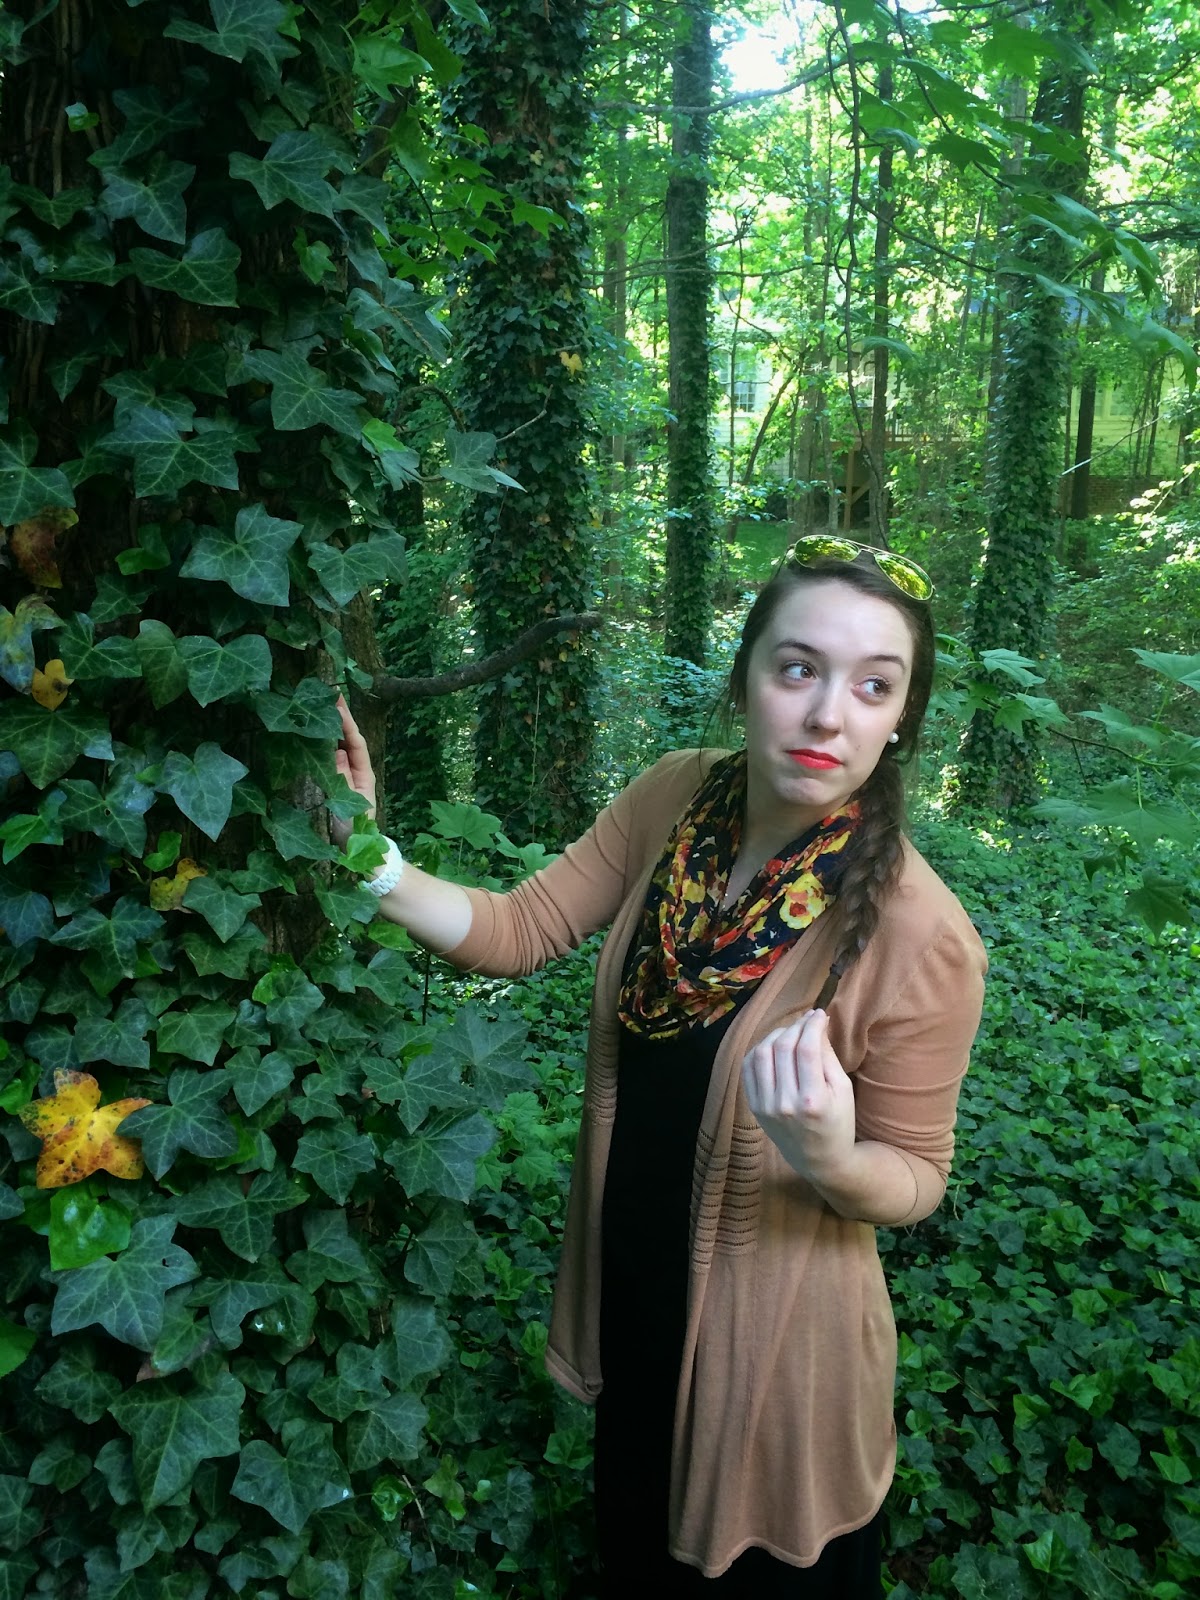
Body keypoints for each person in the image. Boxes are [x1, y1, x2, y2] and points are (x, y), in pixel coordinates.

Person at [334, 538, 987, 1597]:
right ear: (746, 676)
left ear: (901, 718)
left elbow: (917, 1176)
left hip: (776, 1357)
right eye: (798, 669)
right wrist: (369, 857)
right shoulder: (675, 797)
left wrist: (831, 1156)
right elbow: (520, 927)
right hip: (637, 1291)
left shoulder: (924, 934)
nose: (829, 715)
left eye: (874, 686)